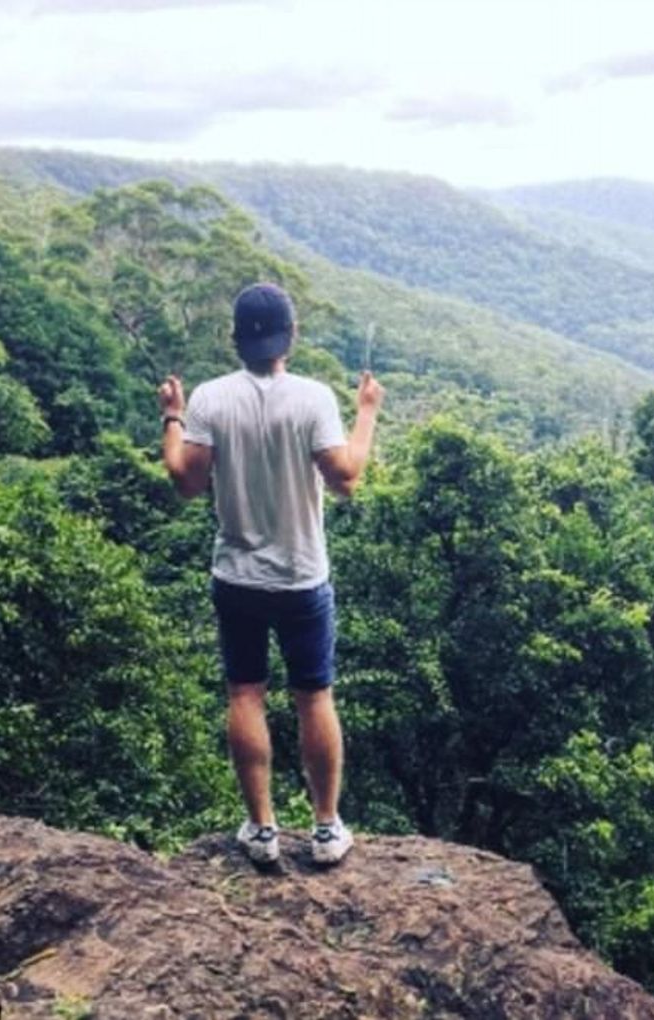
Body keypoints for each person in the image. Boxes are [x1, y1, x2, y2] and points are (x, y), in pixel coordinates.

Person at [157, 282, 384, 865]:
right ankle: (327, 828)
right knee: (314, 697)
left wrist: (173, 417)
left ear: (236, 339)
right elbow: (347, 478)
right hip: (302, 576)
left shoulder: (210, 399)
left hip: (236, 576)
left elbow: (185, 481)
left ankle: (261, 831)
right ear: (292, 337)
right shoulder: (311, 399)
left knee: (245, 693)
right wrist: (366, 413)